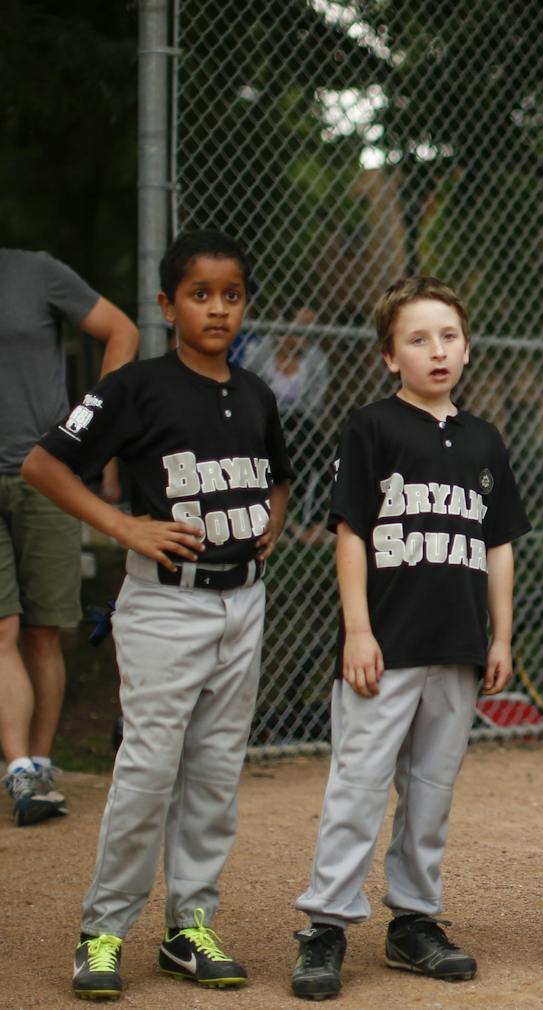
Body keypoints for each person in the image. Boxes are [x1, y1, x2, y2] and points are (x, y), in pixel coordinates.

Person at [22, 230, 291, 998]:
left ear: (245, 305)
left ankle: (188, 927)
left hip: (243, 602)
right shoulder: (134, 386)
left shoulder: (257, 393)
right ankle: (103, 931)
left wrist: (270, 520)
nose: (217, 308)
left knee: (212, 776)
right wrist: (123, 526)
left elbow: (279, 475)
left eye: (231, 295)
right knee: (148, 773)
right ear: (168, 304)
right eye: (200, 295)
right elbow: (45, 464)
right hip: (166, 605)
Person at [291, 276, 530, 1000]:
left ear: (467, 347)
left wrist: (502, 638)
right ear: (390, 356)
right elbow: (352, 533)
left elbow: (499, 546)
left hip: (457, 647)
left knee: (430, 793)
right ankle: (326, 925)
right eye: (418, 339)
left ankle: (413, 923)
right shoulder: (372, 426)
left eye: (449, 336)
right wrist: (358, 631)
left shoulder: (485, 438)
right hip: (384, 647)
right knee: (358, 787)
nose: (437, 350)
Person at [1, 248, 138, 826]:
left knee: (42, 630)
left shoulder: (35, 271)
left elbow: (121, 332)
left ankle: (41, 761)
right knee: (1, 626)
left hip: (47, 474)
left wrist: (89, 427)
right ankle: (20, 770)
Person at [245, 306, 332, 542]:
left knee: (321, 454)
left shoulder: (315, 359)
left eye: (311, 329)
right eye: (301, 326)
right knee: (289, 449)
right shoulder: (260, 352)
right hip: (263, 419)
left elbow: (315, 403)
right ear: (284, 326)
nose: (307, 334)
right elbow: (247, 390)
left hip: (301, 419)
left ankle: (309, 523)